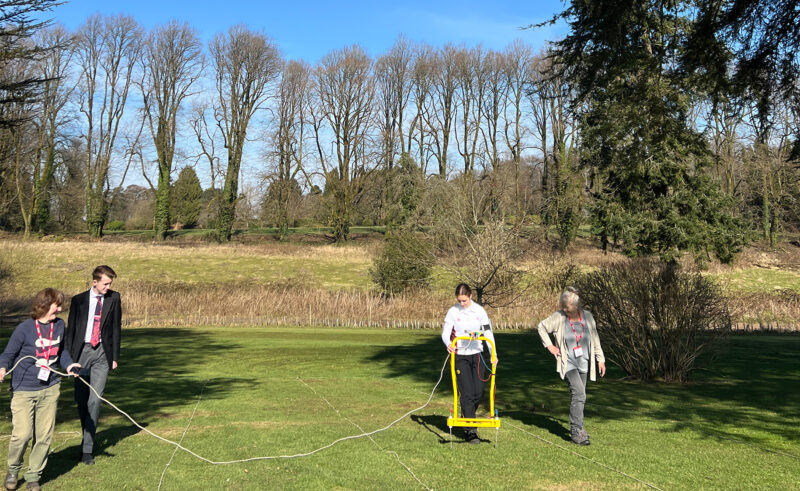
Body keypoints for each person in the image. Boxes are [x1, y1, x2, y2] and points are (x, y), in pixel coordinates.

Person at [0, 288, 81, 491]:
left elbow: (61, 351)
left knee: (44, 435)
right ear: (44, 305)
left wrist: (69, 365)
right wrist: (2, 368)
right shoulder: (24, 329)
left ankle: (33, 476)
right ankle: (13, 470)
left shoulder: (59, 325)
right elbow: (8, 354)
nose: (60, 309)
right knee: (22, 434)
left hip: (50, 387)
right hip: (23, 389)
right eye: (57, 305)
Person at [64, 265, 122, 466]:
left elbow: (116, 328)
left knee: (95, 400)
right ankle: (86, 435)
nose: (108, 287)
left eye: (110, 283)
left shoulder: (114, 298)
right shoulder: (78, 300)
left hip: (102, 354)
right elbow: (71, 331)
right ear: (94, 282)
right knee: (81, 401)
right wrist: (70, 359)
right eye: (105, 283)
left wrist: (114, 356)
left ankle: (87, 449)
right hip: (82, 352)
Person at [537, 286, 606, 445]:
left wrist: (600, 359)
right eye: (563, 306)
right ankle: (576, 432)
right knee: (579, 394)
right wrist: (549, 346)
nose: (564, 309)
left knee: (580, 397)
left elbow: (595, 338)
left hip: (583, 362)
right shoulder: (559, 317)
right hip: (568, 363)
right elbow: (541, 327)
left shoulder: (588, 317)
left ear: (576, 306)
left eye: (567, 307)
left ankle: (579, 428)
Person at [441, 283, 498, 444]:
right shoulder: (453, 312)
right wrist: (448, 344)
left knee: (478, 393)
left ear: (470, 296)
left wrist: (493, 353)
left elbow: (488, 332)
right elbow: (445, 334)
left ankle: (467, 416)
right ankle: (470, 431)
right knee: (466, 393)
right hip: (460, 356)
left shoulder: (479, 311)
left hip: (477, 355)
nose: (462, 303)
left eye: (464, 300)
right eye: (459, 300)